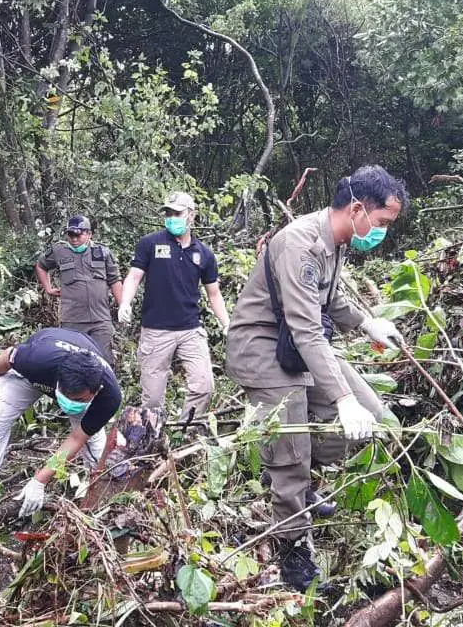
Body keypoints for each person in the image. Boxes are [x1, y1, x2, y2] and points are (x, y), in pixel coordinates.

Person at [226, 165, 408, 591]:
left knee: (374, 417)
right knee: (291, 450)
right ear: (358, 209)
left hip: (296, 344)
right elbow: (307, 329)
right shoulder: (300, 244)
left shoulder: (336, 240)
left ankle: (302, 476)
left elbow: (331, 298)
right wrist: (340, 397)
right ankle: (293, 555)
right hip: (263, 348)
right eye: (380, 224)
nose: (380, 233)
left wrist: (366, 324)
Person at [0, 327, 122, 523]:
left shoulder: (109, 397)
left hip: (79, 386)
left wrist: (39, 480)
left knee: (96, 448)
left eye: (77, 399)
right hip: (32, 378)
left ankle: (100, 503)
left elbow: (76, 438)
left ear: (97, 391)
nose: (69, 402)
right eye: (66, 395)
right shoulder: (37, 359)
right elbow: (8, 356)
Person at [118, 191, 230, 423]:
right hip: (156, 331)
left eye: (177, 213)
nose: (171, 218)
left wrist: (227, 323)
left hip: (190, 329)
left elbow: (214, 293)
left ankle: (185, 431)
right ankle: (153, 445)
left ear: (191, 215)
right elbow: (133, 277)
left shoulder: (204, 254)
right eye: (168, 213)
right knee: (152, 400)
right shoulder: (150, 243)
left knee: (204, 386)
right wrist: (125, 302)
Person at [35, 215, 123, 363]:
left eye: (78, 234)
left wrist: (123, 306)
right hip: (72, 320)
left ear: (89, 234)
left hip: (100, 320)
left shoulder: (102, 252)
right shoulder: (59, 251)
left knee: (103, 362)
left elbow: (114, 280)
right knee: (73, 363)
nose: (74, 238)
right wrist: (48, 288)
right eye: (71, 234)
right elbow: (41, 265)